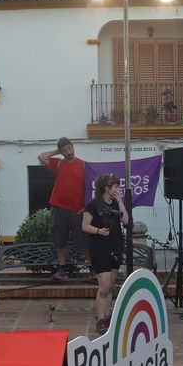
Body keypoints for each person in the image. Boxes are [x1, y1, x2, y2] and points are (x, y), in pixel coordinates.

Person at [81, 173, 128, 335]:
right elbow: (85, 226)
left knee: (110, 285)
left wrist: (120, 201)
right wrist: (99, 231)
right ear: (107, 188)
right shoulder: (93, 205)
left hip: (115, 247)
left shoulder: (115, 203)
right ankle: (100, 318)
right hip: (100, 248)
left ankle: (107, 315)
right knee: (104, 284)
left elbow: (126, 221)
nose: (118, 189)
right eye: (115, 186)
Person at [38, 137, 86, 280]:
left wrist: (85, 206)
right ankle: (62, 269)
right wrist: (56, 151)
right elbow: (41, 157)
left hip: (77, 210)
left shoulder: (83, 165)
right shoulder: (58, 164)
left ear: (73, 147)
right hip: (59, 209)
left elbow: (90, 188)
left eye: (69, 148)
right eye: (64, 150)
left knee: (84, 241)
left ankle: (93, 269)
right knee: (60, 240)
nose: (68, 152)